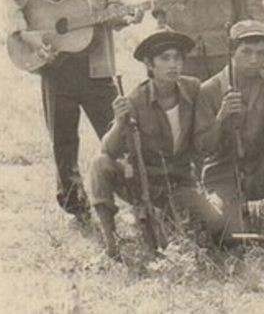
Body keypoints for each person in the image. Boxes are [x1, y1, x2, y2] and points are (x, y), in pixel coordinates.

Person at [5, 0, 141, 222]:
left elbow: (117, 11)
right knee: (63, 139)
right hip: (56, 66)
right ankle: (75, 207)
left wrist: (127, 16)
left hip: (97, 66)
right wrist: (26, 33)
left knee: (118, 133)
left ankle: (135, 199)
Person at [88, 30, 226, 259]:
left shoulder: (193, 89)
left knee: (217, 224)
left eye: (178, 58)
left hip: (178, 182)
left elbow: (205, 141)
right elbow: (109, 150)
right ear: (149, 64)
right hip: (142, 183)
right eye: (165, 58)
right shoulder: (135, 99)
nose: (173, 64)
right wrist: (119, 123)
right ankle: (111, 242)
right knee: (99, 163)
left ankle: (168, 220)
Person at [195, 20, 264, 234]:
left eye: (260, 53)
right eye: (246, 52)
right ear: (231, 51)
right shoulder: (208, 90)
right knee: (229, 236)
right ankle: (231, 210)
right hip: (222, 175)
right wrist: (221, 118)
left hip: (259, 172)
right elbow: (202, 148)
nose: (254, 60)